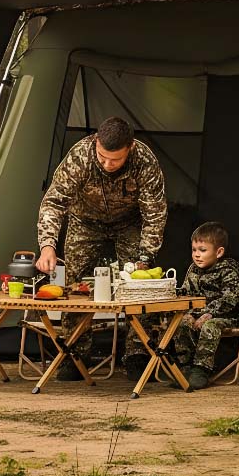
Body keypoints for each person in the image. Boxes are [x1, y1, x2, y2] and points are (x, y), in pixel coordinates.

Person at [36, 116, 167, 380]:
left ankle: (137, 355)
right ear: (96, 142)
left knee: (137, 286)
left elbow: (155, 214)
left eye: (115, 160)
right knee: (71, 283)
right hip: (84, 221)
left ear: (129, 148)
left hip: (129, 222)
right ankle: (75, 354)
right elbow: (54, 202)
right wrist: (48, 245)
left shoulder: (145, 161)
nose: (107, 164)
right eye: (103, 157)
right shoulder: (80, 157)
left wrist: (145, 256)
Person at [174, 221, 239, 391]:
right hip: (199, 314)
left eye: (202, 250)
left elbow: (231, 298)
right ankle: (185, 369)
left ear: (219, 252)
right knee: (181, 322)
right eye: (194, 250)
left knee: (210, 326)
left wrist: (209, 313)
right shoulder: (193, 270)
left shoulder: (228, 270)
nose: (197, 255)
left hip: (228, 317)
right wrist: (189, 312)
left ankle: (201, 370)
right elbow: (186, 294)